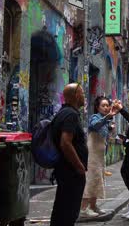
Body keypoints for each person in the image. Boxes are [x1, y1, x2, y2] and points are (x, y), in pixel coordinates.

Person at [50, 83, 87, 226]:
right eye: (82, 93)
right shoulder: (71, 115)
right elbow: (65, 142)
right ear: (76, 96)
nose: (84, 96)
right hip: (70, 171)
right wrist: (79, 166)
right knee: (69, 212)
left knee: (61, 208)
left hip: (64, 170)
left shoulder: (62, 113)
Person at [80, 96, 116, 217]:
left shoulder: (106, 120)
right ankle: (84, 208)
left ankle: (93, 206)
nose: (106, 108)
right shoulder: (95, 118)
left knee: (97, 179)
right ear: (97, 107)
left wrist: (110, 127)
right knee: (90, 179)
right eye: (103, 105)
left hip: (100, 155)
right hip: (92, 154)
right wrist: (107, 118)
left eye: (107, 105)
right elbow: (94, 126)